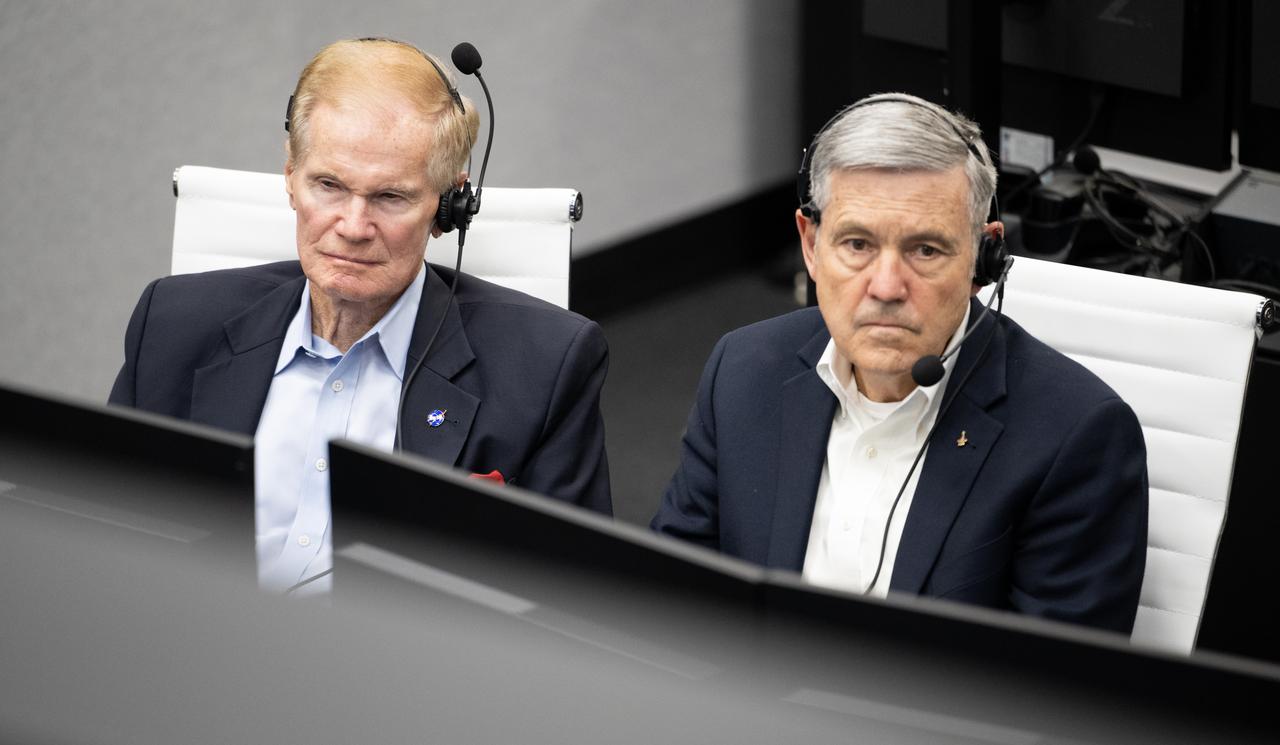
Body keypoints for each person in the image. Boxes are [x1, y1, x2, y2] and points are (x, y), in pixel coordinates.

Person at [110, 38, 611, 593]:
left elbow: (572, 596)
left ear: (449, 208)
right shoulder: (172, 323)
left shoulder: (546, 365)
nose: (352, 226)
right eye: (328, 185)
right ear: (290, 178)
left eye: (390, 197)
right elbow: (106, 532)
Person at [651, 93, 1147, 633]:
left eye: (925, 250)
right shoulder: (744, 371)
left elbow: (1050, 679)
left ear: (984, 259)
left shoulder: (1076, 437)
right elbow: (667, 600)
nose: (886, 287)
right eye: (857, 244)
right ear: (811, 246)